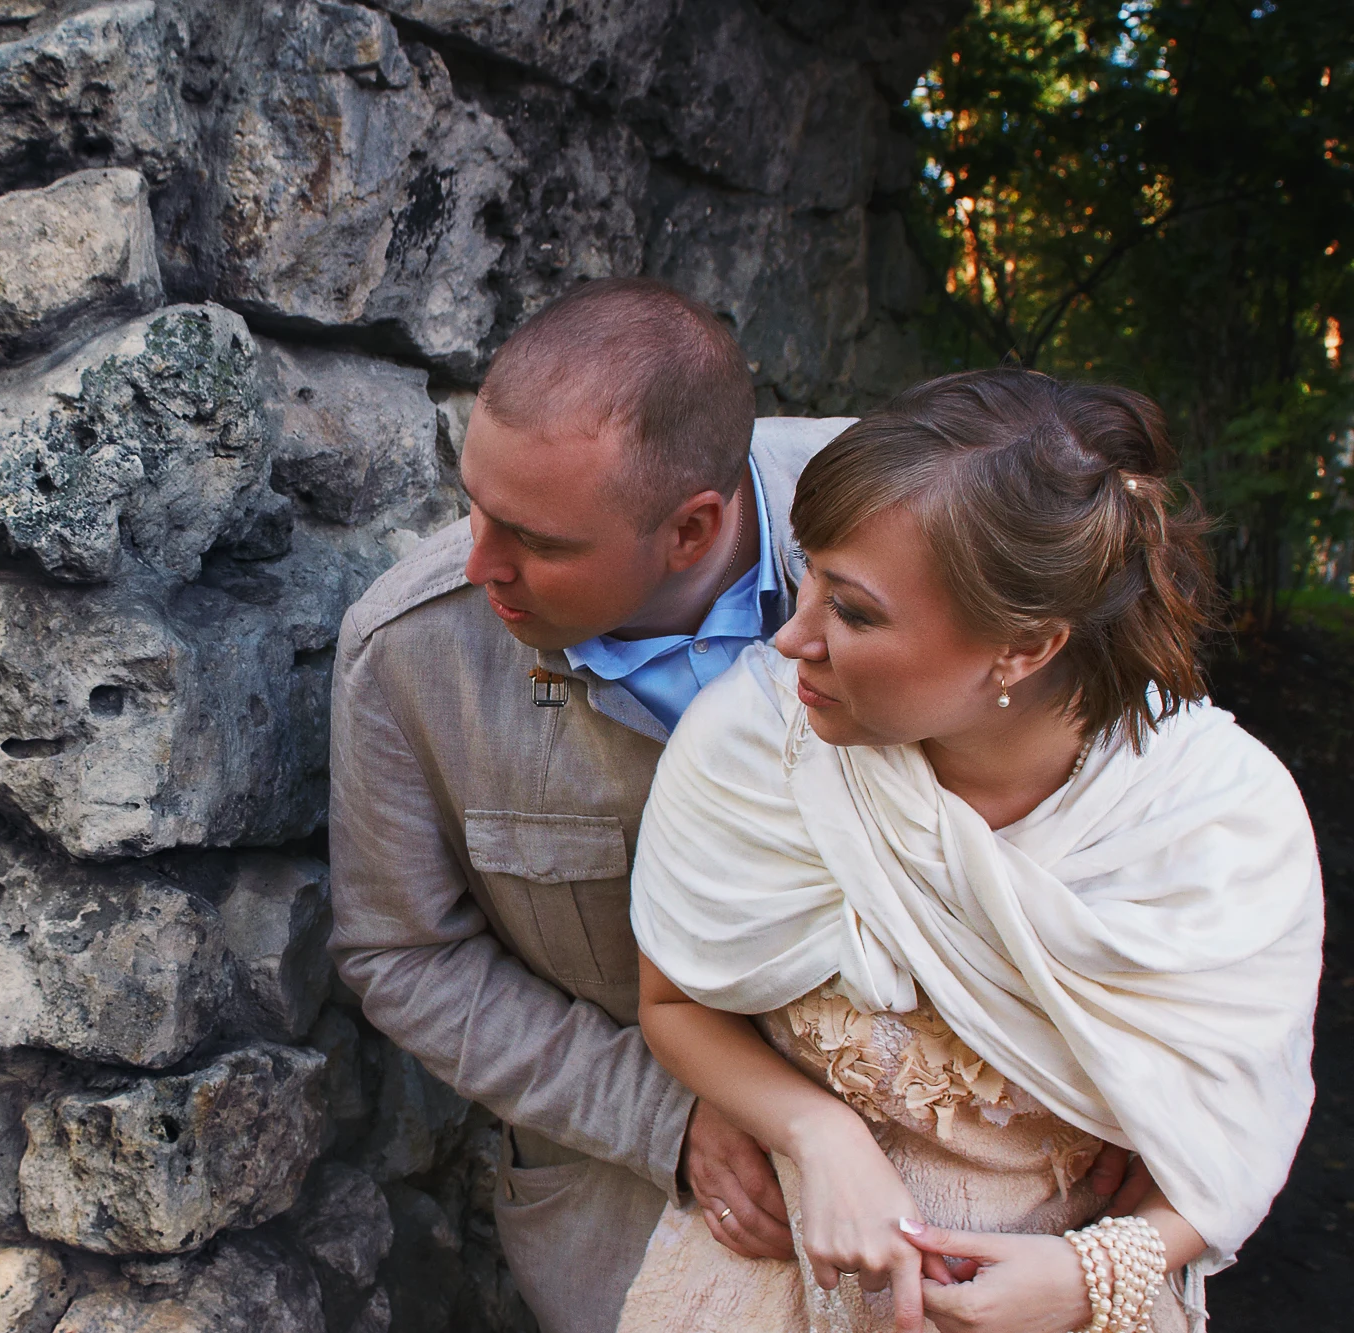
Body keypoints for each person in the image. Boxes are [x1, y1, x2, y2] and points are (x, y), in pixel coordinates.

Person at [326, 282, 1134, 1333]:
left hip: (1010, 1203)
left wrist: (1128, 1084)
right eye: (471, 501)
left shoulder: (939, 510)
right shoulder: (405, 651)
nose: (476, 561)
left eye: (535, 539)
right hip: (644, 1215)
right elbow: (402, 955)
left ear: (692, 526)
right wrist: (668, 1116)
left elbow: (1120, 773)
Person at [619, 369, 1323, 1333]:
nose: (791, 637)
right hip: (769, 1283)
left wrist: (1096, 1274)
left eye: (854, 611)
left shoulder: (1218, 824)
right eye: (807, 572)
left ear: (1024, 648)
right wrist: (816, 1131)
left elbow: (1236, 1139)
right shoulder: (750, 742)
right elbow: (669, 1002)